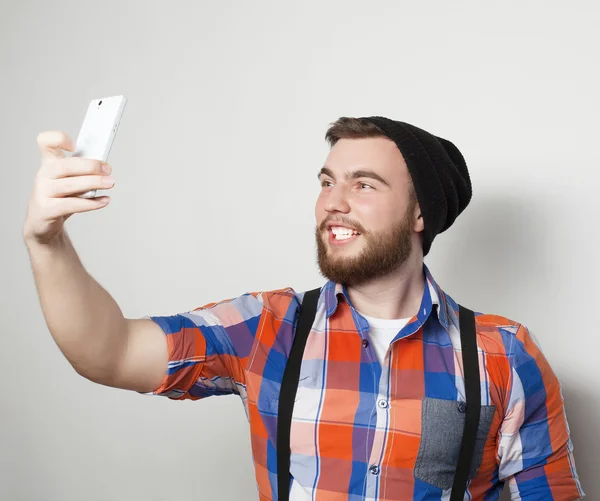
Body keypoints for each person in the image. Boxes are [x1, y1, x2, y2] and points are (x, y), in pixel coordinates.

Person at [23, 117, 584, 501]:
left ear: (420, 214)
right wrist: (47, 243)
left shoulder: (503, 354)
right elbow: (111, 351)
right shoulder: (269, 327)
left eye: (363, 184)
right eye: (327, 181)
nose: (332, 202)